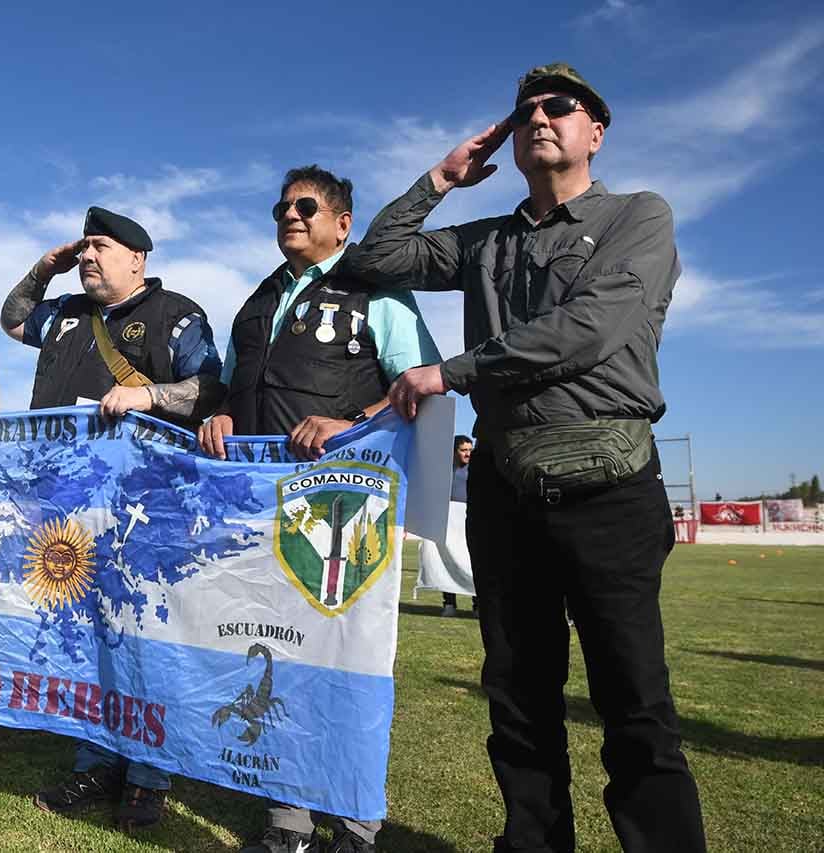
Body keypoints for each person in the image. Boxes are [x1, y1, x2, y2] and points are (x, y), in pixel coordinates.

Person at [345, 63, 706, 852]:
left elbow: (592, 328)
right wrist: (441, 178)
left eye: (560, 106)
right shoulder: (488, 240)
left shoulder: (638, 217)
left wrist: (455, 371)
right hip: (507, 491)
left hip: (607, 485)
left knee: (634, 701)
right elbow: (374, 261)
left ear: (595, 131)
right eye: (524, 111)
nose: (539, 117)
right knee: (517, 698)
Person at [198, 165, 440, 853]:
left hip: (344, 511)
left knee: (347, 662)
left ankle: (357, 825)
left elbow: (420, 383)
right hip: (259, 511)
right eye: (281, 207)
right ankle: (289, 822)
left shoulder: (375, 290)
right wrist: (218, 412)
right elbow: (227, 385)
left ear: (342, 223)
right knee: (276, 662)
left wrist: (352, 420)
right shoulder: (254, 304)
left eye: (306, 206)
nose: (290, 215)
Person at [0, 206, 224, 831]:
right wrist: (45, 268)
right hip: (65, 511)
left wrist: (148, 395)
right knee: (85, 640)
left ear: (138, 259)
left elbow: (209, 388)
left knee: (144, 640)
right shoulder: (68, 312)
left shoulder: (175, 314)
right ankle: (95, 762)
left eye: (102, 247)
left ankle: (148, 776)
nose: (89, 256)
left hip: (140, 511)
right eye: (85, 247)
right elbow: (13, 318)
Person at [439, 435, 477, 617]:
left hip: (471, 521)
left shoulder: (477, 470)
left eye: (470, 450)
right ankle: (449, 603)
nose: (468, 454)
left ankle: (477, 604)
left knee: (473, 563)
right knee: (448, 561)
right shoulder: (445, 471)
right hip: (450, 524)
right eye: (463, 450)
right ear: (454, 451)